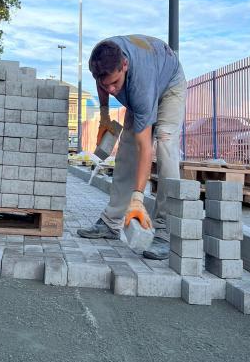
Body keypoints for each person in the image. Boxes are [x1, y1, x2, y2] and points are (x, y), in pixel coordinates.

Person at [78, 35, 187, 260]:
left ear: (125, 65)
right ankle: (111, 222)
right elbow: (104, 83)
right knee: (126, 149)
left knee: (165, 146)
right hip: (145, 76)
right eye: (105, 85)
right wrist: (105, 115)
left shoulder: (141, 86)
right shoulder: (99, 59)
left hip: (169, 85)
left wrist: (138, 197)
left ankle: (166, 230)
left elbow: (145, 148)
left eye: (115, 83)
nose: (112, 90)